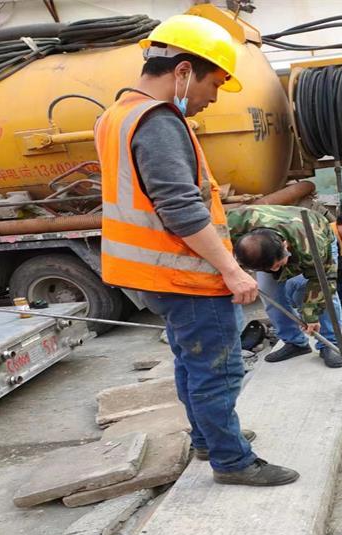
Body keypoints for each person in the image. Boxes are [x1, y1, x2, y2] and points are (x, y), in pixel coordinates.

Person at [95, 14, 298, 487]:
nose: (213, 98)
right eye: (214, 83)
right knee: (218, 370)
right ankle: (232, 460)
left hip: (151, 274)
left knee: (192, 362)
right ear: (183, 70)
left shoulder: (116, 115)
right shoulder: (158, 121)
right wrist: (232, 270)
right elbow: (181, 209)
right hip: (183, 274)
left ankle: (210, 439)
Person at [228, 205, 342, 368]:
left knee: (326, 294)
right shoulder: (232, 224)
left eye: (278, 265)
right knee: (270, 293)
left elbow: (323, 280)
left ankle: (330, 344)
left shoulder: (312, 245)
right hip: (271, 244)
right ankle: (295, 343)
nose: (275, 271)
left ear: (285, 245)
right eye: (269, 268)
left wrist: (311, 315)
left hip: (315, 232)